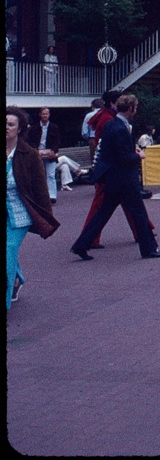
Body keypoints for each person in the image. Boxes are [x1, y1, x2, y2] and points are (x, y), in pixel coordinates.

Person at [70, 94, 160, 260]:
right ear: (130, 109)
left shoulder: (112, 124)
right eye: (135, 109)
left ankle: (81, 245)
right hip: (125, 180)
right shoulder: (120, 128)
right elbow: (123, 158)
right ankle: (149, 249)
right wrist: (139, 156)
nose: (135, 112)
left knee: (102, 214)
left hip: (113, 179)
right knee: (139, 214)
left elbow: (112, 152)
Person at [6, 106, 60, 309]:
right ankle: (17, 278)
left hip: (18, 215)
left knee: (8, 249)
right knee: (8, 253)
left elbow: (40, 189)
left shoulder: (28, 155)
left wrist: (46, 219)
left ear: (19, 129)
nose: (6, 128)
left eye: (10, 124)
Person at [25, 107, 60, 203]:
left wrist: (53, 151)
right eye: (43, 114)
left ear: (49, 115)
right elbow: (30, 141)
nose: (45, 116)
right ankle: (40, 195)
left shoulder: (54, 127)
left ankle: (52, 196)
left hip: (50, 154)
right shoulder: (34, 128)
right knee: (39, 175)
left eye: (46, 114)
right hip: (38, 153)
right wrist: (35, 151)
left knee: (51, 175)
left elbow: (57, 141)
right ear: (40, 115)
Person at [81, 99, 104, 164]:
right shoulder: (106, 115)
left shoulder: (89, 115)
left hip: (93, 138)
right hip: (105, 137)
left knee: (94, 160)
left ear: (92, 107)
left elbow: (84, 131)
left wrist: (89, 138)